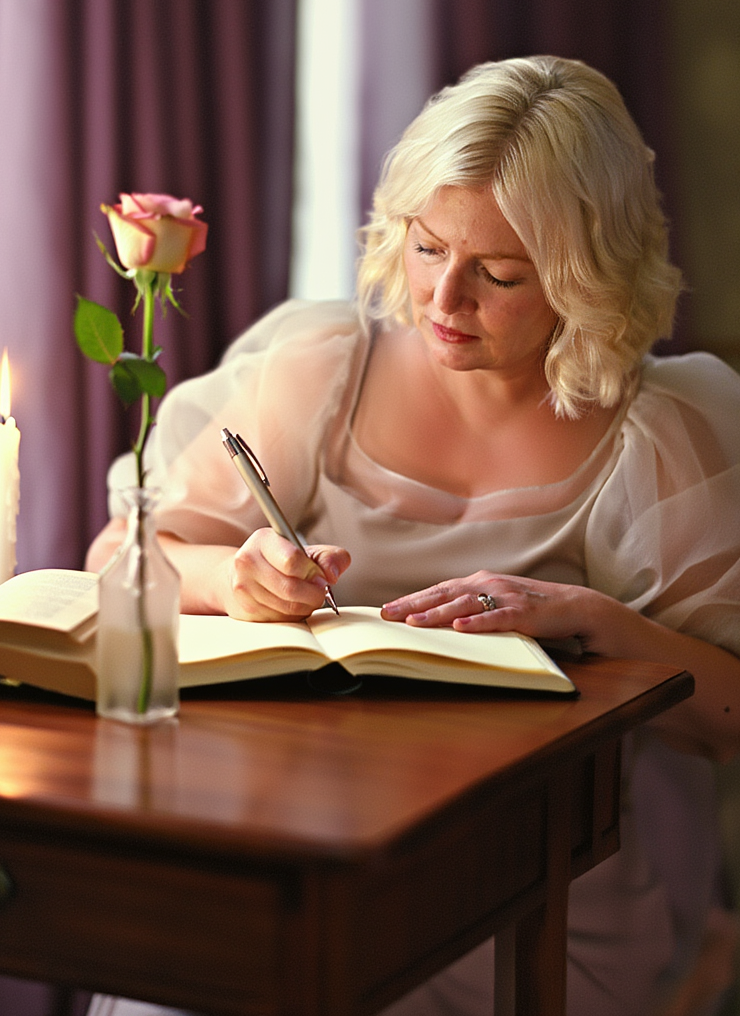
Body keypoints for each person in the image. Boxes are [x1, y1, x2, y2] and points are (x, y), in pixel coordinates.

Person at [86, 56, 740, 1016]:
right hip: (297, 841)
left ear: (585, 276)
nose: (443, 302)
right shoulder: (320, 371)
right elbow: (123, 557)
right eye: (429, 250)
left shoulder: (658, 435)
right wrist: (239, 575)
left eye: (500, 274)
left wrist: (603, 624)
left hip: (539, 892)